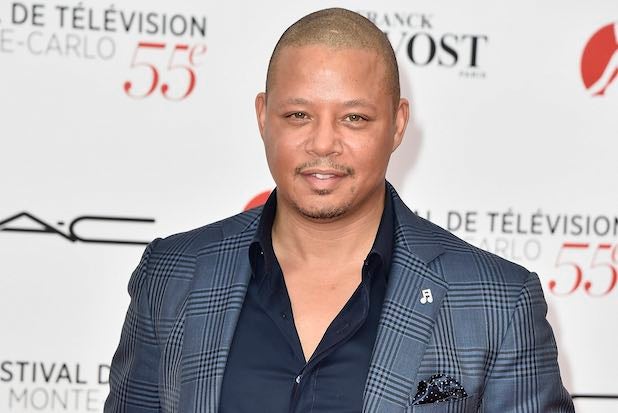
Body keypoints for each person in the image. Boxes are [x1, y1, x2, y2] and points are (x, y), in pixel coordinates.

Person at [105, 8, 574, 413]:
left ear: (397, 125)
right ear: (263, 116)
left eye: (354, 118)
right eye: (298, 115)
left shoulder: (497, 303)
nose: (324, 143)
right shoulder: (173, 274)